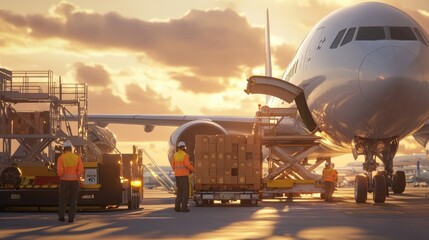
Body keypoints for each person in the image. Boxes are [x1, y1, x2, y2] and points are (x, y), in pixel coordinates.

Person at [57, 140, 84, 223]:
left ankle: (61, 217)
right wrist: (76, 176)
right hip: (74, 182)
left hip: (64, 181)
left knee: (62, 200)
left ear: (64, 149)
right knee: (73, 200)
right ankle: (71, 218)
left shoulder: (61, 158)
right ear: (71, 149)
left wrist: (63, 175)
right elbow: (80, 171)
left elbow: (59, 172)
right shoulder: (77, 158)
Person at [171, 141, 195, 212]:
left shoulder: (175, 155)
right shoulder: (185, 155)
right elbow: (187, 165)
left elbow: (173, 165)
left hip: (177, 175)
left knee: (179, 192)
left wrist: (176, 171)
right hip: (183, 175)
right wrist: (193, 170)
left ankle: (177, 207)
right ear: (184, 147)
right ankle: (184, 208)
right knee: (185, 192)